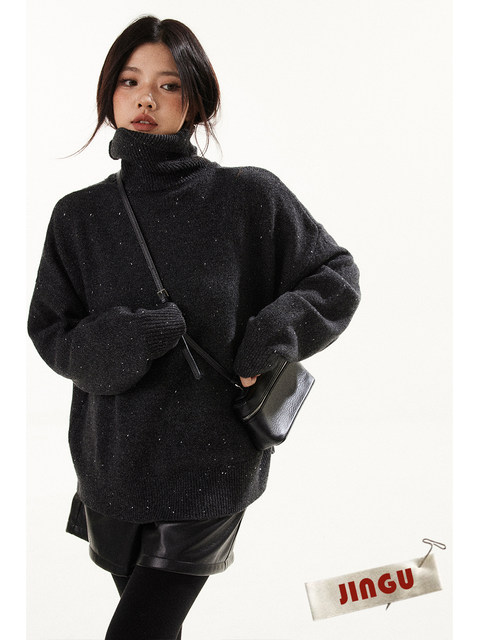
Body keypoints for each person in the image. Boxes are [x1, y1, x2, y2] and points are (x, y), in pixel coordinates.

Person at [28, 15, 361, 640]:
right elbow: (51, 332)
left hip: (210, 467)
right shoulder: (78, 216)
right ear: (109, 93)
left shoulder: (248, 197)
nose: (146, 99)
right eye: (130, 81)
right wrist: (129, 339)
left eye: (169, 85)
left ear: (197, 99)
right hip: (112, 467)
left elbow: (335, 278)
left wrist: (270, 338)